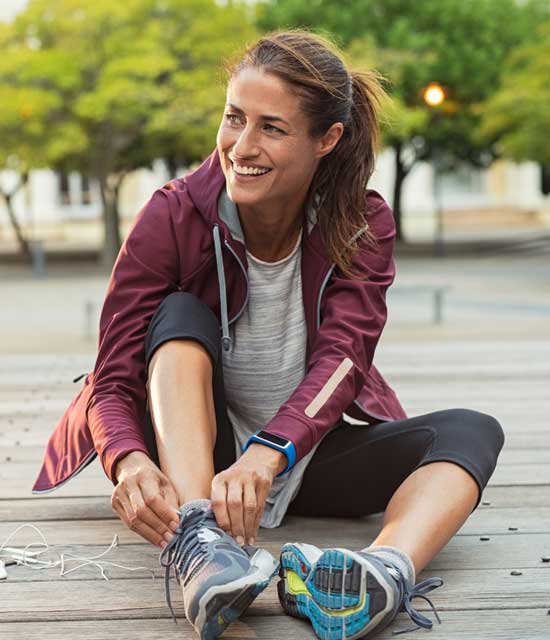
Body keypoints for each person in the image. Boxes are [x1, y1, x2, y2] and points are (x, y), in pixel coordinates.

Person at [32, 29, 505, 640]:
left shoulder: (362, 222)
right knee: (178, 315)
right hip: (202, 463)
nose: (241, 146)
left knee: (471, 430)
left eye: (271, 128)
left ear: (326, 139)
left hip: (299, 454)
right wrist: (126, 461)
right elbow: (113, 376)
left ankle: (383, 573)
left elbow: (344, 358)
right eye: (234, 118)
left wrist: (272, 451)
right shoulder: (173, 214)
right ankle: (202, 545)